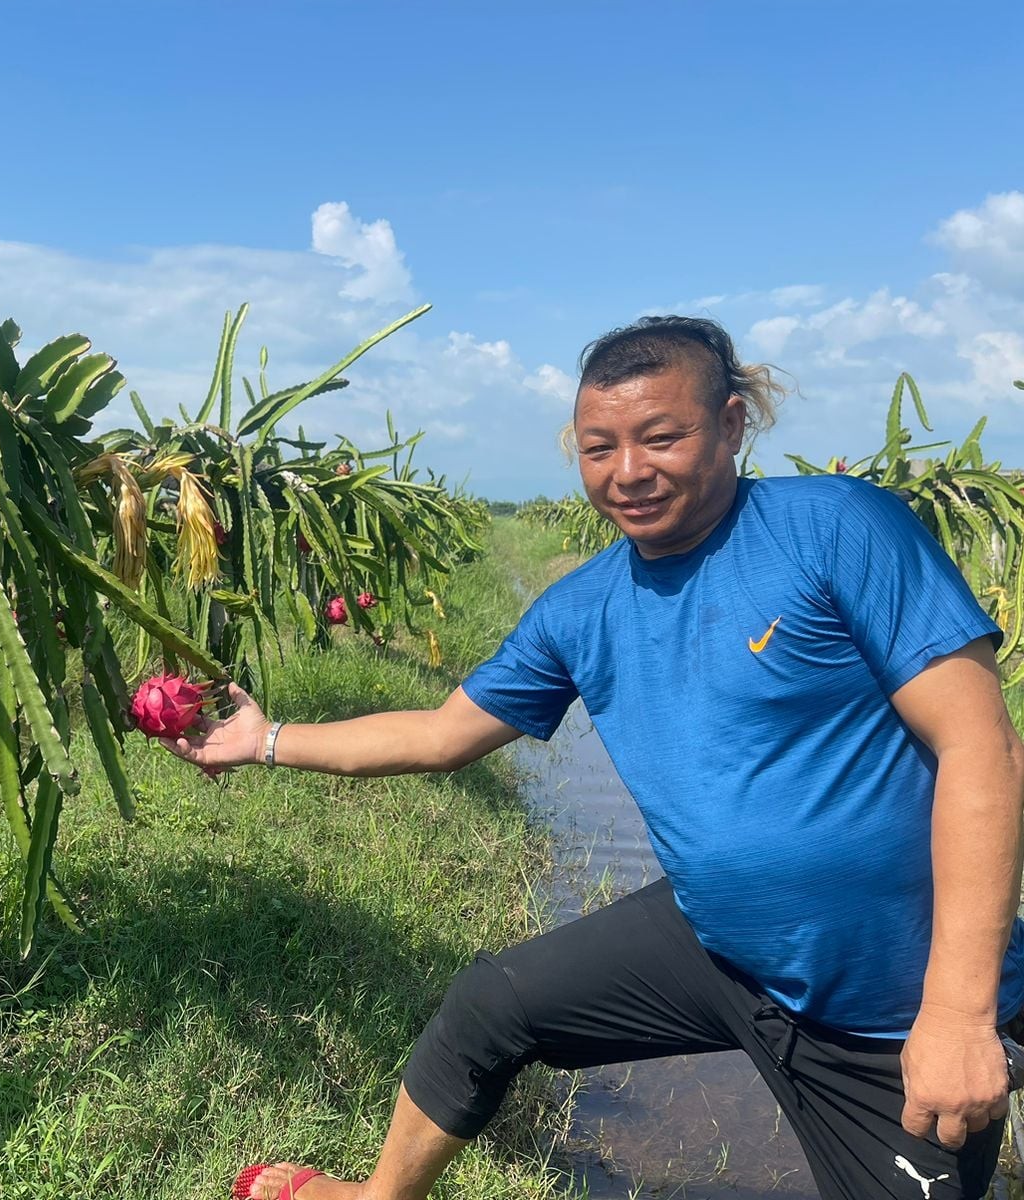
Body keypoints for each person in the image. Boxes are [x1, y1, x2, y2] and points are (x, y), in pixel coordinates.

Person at [160, 315, 1024, 1200]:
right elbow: (440, 733)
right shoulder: (584, 608)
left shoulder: (838, 528)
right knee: (487, 1009)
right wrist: (264, 740)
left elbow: (983, 749)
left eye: (662, 437)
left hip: (889, 1012)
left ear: (730, 426)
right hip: (723, 947)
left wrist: (957, 1014)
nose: (628, 473)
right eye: (599, 447)